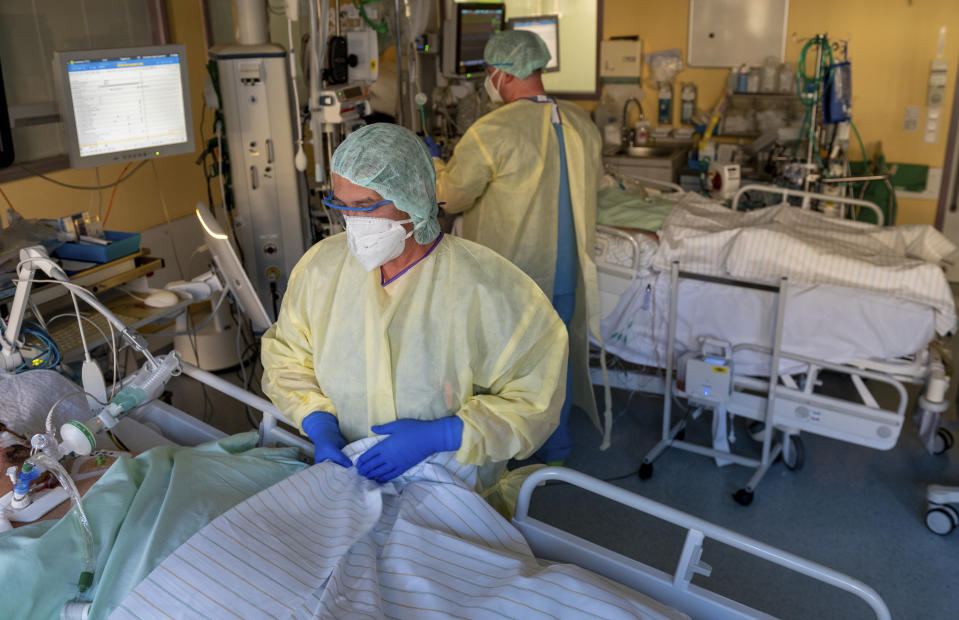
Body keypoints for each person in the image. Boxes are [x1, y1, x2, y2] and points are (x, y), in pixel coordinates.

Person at [261, 123, 568, 502]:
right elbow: (287, 357)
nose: (353, 222)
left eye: (365, 206)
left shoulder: (487, 287)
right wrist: (318, 424)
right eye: (341, 204)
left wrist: (444, 434)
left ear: (413, 198)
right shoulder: (322, 268)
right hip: (346, 478)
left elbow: (533, 397)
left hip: (450, 488)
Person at [433, 30, 609, 464]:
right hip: (566, 276)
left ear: (500, 74)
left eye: (488, 76)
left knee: (504, 366)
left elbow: (451, 196)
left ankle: (502, 454)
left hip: (513, 277)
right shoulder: (581, 123)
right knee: (555, 361)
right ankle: (557, 443)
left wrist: (434, 162)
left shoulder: (492, 131)